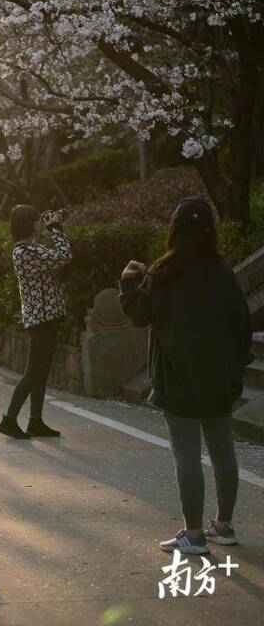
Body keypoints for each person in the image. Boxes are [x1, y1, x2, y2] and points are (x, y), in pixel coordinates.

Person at [119, 196, 252, 554]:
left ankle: (193, 534)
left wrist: (129, 284)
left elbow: (142, 317)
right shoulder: (223, 271)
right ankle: (223, 526)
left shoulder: (164, 273)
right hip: (219, 381)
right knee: (224, 452)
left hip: (177, 381)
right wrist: (236, 370)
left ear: (175, 229)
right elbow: (242, 324)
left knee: (188, 457)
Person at [0, 205, 72, 439]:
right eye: (37, 220)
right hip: (40, 318)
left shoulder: (32, 248)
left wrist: (53, 226)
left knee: (41, 372)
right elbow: (63, 257)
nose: (41, 223)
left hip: (47, 316)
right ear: (29, 224)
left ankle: (36, 421)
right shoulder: (24, 252)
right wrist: (56, 228)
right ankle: (9, 420)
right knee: (33, 372)